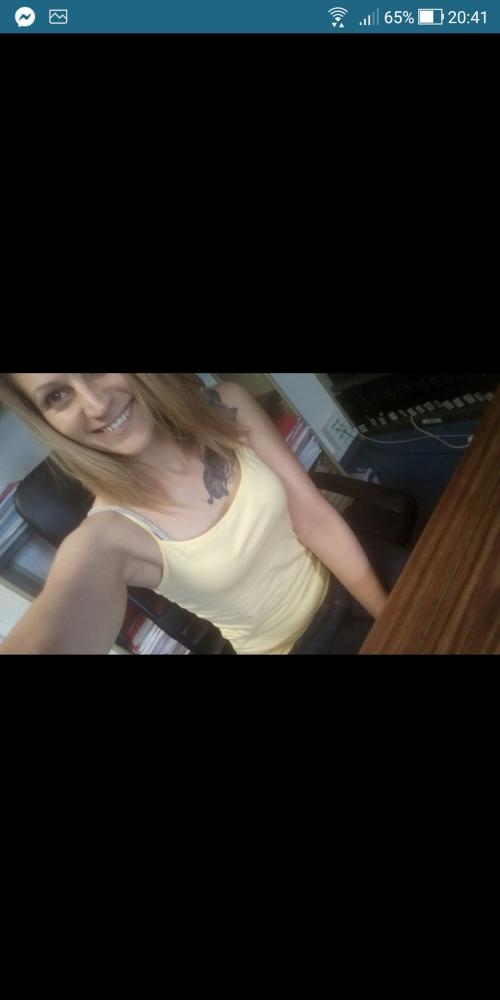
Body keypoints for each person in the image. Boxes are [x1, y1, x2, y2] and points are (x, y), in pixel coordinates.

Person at [0, 373, 408, 655]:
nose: (96, 404)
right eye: (57, 396)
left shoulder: (226, 406)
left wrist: (392, 620)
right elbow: (54, 631)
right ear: (46, 422)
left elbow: (313, 516)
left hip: (346, 575)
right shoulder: (106, 537)